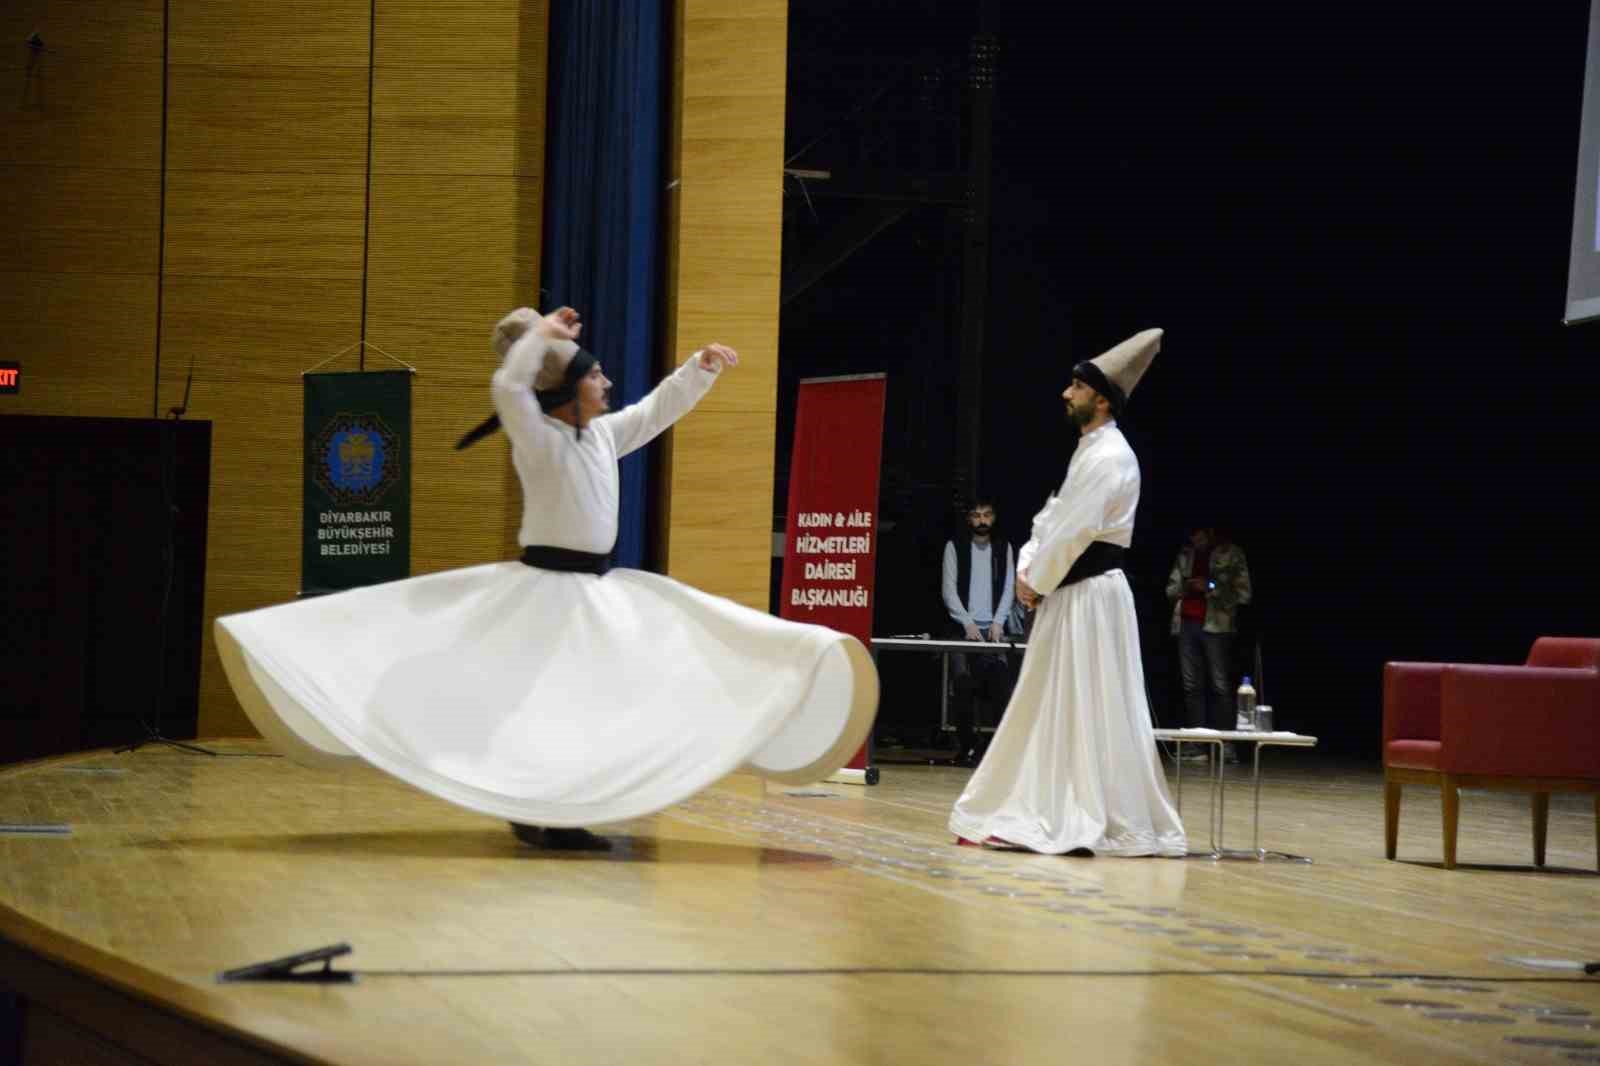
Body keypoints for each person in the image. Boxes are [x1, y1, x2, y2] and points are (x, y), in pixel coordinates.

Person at [214, 306, 878, 851]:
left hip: (592, 594)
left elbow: (654, 412)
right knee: (545, 707)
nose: (608, 385)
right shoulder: (539, 439)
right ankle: (541, 811)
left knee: (586, 705)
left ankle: (556, 809)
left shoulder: (602, 437)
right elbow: (508, 389)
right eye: (596, 378)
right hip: (543, 594)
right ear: (565, 394)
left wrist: (697, 370)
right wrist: (542, 337)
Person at [949, 329, 1186, 857]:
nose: (1066, 393)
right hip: (1071, 593)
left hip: (1089, 595)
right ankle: (1046, 800)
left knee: (1089, 700)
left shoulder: (1109, 457)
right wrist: (1031, 568)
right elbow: (1054, 515)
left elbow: (1075, 531)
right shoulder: (1089, 451)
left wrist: (1035, 579)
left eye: (1076, 387)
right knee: (1055, 699)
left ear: (1101, 398)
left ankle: (1080, 810)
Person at [1166, 526, 1253, 761]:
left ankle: (1226, 745)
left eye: (1200, 533)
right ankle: (1197, 745)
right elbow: (1170, 589)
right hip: (1186, 625)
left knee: (1220, 685)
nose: (1196, 539)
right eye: (1192, 534)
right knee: (1191, 686)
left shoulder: (1231, 553)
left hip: (1217, 626)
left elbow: (1244, 594)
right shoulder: (1186, 554)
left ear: (1211, 532)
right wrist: (1187, 586)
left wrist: (1211, 587)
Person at [940, 498, 1017, 765]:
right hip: (964, 628)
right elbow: (949, 590)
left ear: (994, 518)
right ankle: (967, 748)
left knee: (1001, 686)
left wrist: (998, 621)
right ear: (969, 519)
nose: (982, 520)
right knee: (962, 685)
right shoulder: (955, 547)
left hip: (994, 629)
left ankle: (1000, 752)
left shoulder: (1003, 547)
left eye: (987, 515)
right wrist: (967, 623)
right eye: (976, 515)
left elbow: (1009, 586)